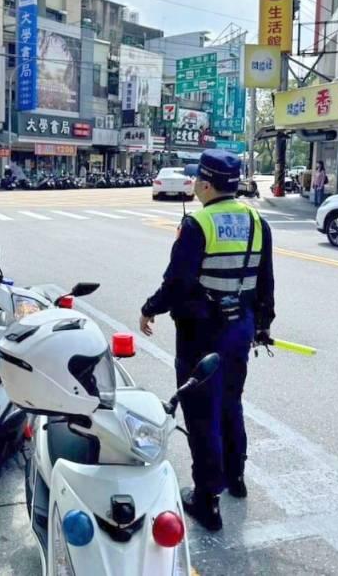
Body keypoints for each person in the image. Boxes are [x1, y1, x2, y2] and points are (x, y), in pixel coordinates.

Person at [139, 149, 275, 532]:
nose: (195, 184)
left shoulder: (199, 225)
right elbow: (266, 281)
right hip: (240, 330)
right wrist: (262, 324)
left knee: (201, 414)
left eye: (198, 178)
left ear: (206, 183)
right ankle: (236, 477)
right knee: (231, 403)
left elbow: (177, 282)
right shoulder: (256, 221)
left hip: (202, 334)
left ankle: (207, 499)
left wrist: (150, 308)